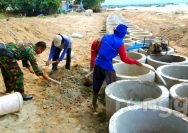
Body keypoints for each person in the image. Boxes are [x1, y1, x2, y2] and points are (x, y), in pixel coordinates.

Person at [92, 24, 143, 111]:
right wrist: (135, 62)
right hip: (107, 67)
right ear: (123, 34)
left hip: (98, 63)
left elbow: (98, 48)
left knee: (97, 83)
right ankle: (112, 106)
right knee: (112, 85)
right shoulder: (120, 43)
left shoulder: (106, 37)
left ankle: (94, 104)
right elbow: (124, 59)